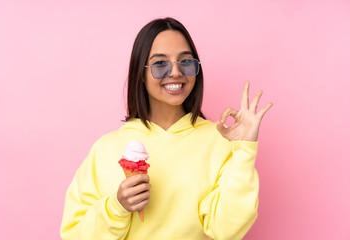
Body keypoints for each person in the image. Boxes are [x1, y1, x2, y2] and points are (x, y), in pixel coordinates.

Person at [60, 17, 273, 240]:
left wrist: (244, 151)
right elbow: (74, 234)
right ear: (140, 74)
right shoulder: (105, 148)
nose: (175, 72)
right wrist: (117, 207)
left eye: (185, 62)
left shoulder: (219, 139)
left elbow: (227, 230)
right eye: (160, 63)